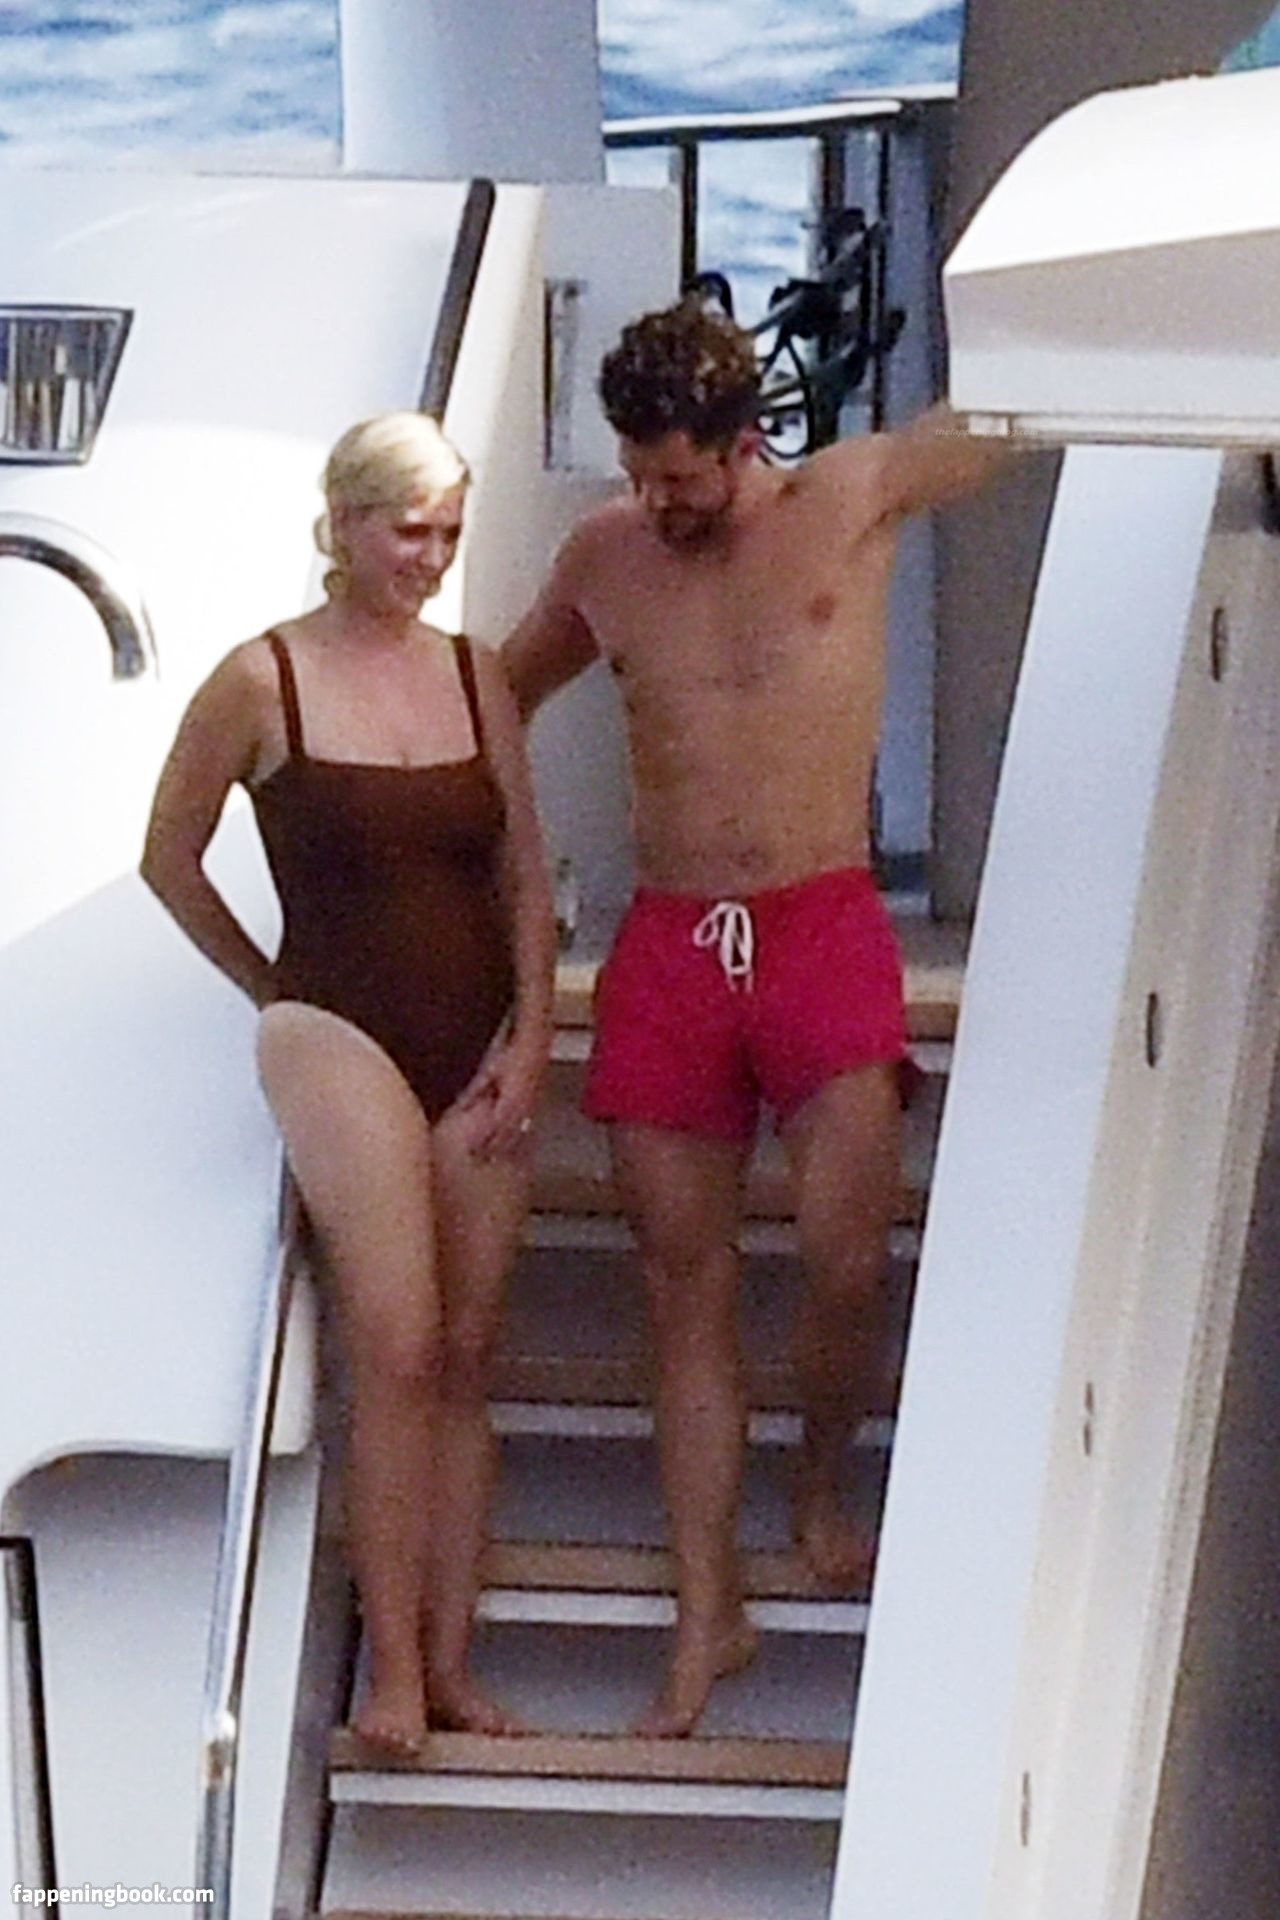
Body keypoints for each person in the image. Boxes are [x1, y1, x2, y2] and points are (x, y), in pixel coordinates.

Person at [502, 299, 1008, 1736]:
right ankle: (705, 1608)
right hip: (673, 941)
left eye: (679, 477)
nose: (657, 503)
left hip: (820, 922)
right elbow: (491, 696)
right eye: (638, 475)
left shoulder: (849, 497)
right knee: (685, 1288)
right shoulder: (603, 557)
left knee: (846, 1256)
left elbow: (1003, 416)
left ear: (742, 445)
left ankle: (821, 1485)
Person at [142, 412, 555, 1750]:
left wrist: (534, 1039)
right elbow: (169, 854)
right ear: (343, 524)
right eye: (407, 531)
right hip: (335, 1030)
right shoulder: (260, 679)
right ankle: (388, 1673)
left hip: (477, 1034)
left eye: (448, 534)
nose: (430, 557)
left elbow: (523, 872)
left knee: (470, 1355)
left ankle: (450, 1665)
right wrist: (268, 986)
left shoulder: (476, 674)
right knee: (397, 1344)